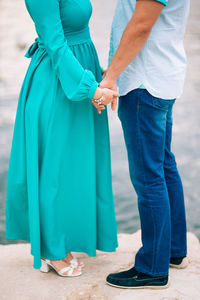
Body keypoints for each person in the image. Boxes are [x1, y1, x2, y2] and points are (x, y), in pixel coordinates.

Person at [5, 0, 119, 277]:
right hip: (56, 83)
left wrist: (96, 74)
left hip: (79, 71)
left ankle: (65, 237)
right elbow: (55, 43)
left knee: (74, 165)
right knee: (54, 167)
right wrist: (89, 88)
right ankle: (51, 248)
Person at [100, 0, 190, 289]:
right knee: (164, 165)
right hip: (161, 77)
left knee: (149, 177)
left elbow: (141, 26)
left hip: (143, 84)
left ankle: (152, 268)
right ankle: (173, 252)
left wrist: (111, 77)